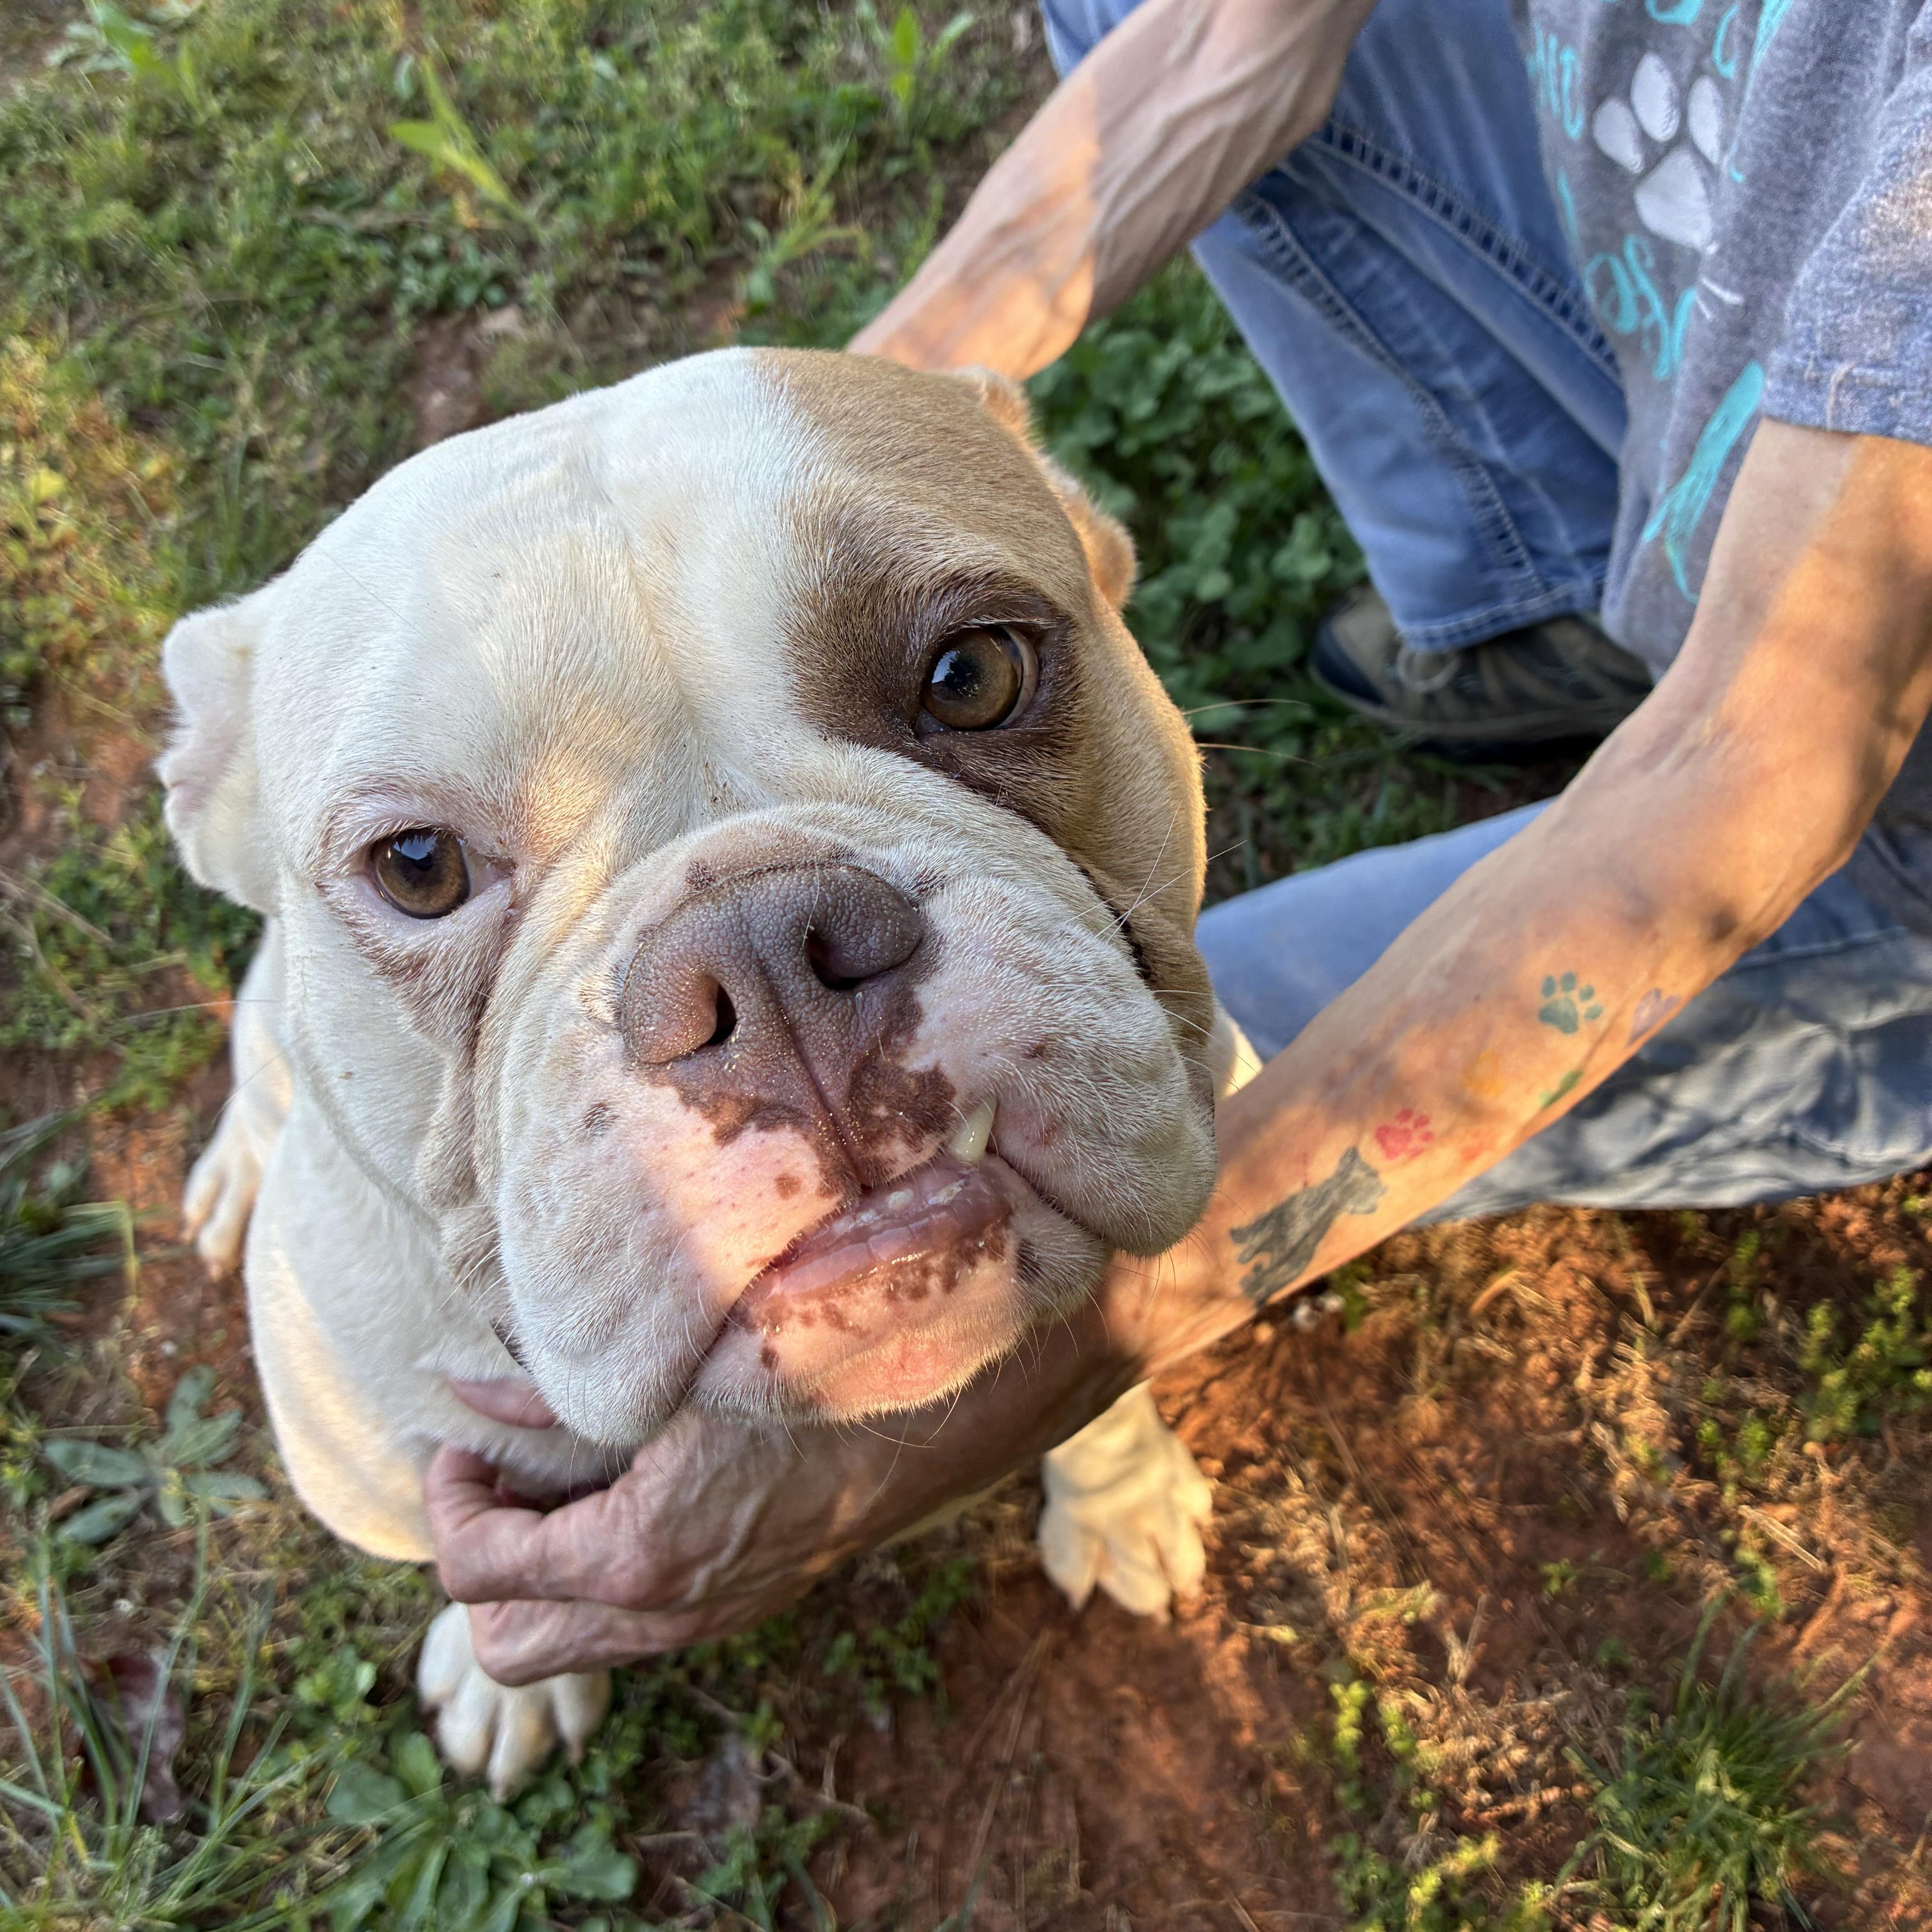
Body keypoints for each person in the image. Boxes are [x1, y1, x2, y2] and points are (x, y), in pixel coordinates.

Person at [425, 0, 1932, 1681]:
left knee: (1184, 1063)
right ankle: (1565, 590)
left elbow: (1769, 749)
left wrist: (1042, 1376)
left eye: (966, 679)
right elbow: (1236, 32)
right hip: (1756, 292)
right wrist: (798, 469)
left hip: (1869, 774)